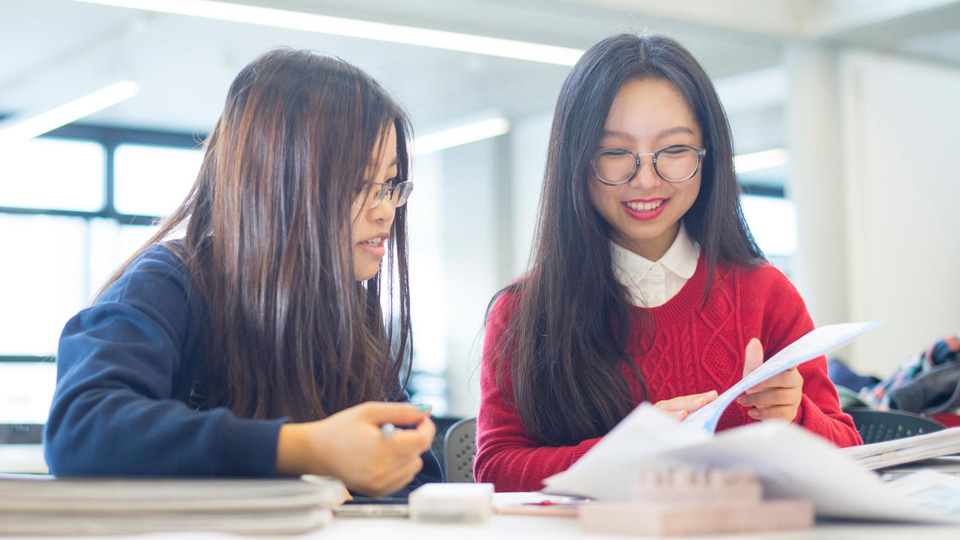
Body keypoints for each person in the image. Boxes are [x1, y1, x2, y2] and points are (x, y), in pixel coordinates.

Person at [45, 48, 441, 497]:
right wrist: (301, 449)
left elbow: (418, 478)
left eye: (390, 185)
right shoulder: (170, 283)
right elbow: (82, 430)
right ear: (277, 183)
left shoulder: (346, 312)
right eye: (357, 186)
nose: (386, 211)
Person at [474, 34, 861, 492]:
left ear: (708, 156)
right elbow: (495, 470)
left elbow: (851, 455)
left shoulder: (766, 294)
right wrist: (624, 453)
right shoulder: (526, 312)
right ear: (575, 160)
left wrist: (794, 414)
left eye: (674, 151)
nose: (646, 179)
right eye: (615, 153)